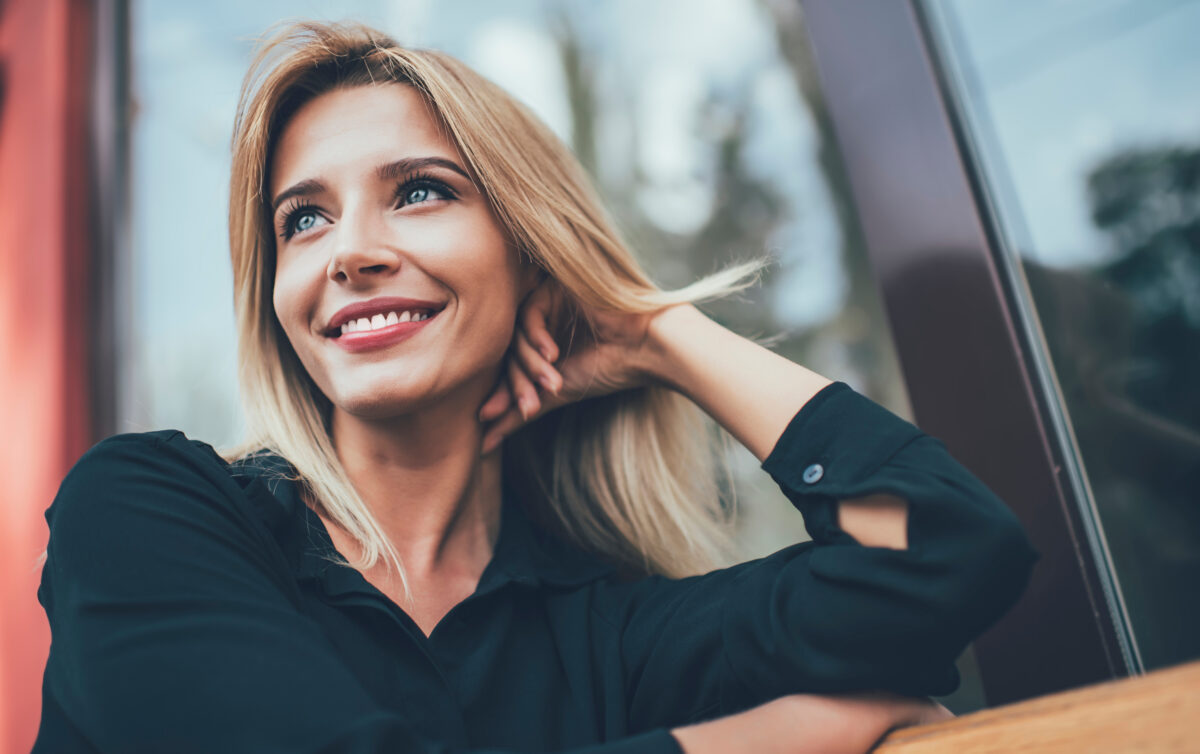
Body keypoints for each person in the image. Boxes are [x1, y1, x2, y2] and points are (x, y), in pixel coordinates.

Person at [33, 20, 1038, 754]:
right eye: (304, 219)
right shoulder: (146, 512)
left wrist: (659, 334)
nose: (351, 252)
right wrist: (804, 732)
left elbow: (948, 553)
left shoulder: (607, 635)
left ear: (531, 256)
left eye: (419, 191)